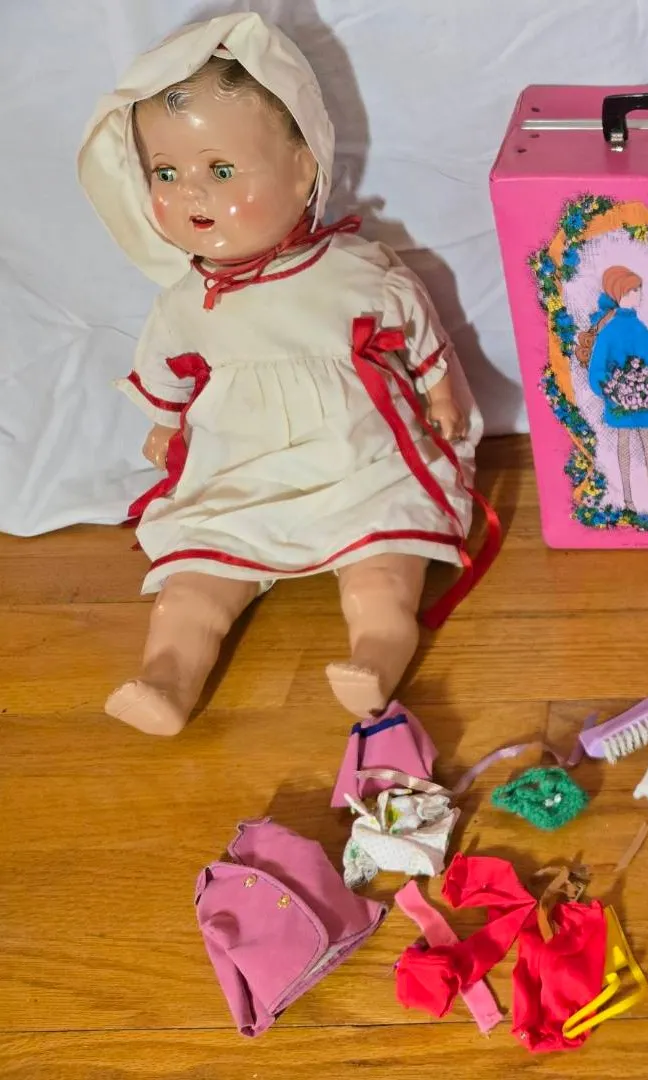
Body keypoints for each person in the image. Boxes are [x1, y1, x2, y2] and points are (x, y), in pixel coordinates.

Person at [76, 14, 492, 735]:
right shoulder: (185, 299)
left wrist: (440, 391)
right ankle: (167, 677)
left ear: (304, 170)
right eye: (166, 173)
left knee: (380, 572)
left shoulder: (352, 271)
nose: (193, 193)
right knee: (191, 588)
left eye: (221, 170)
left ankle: (375, 653)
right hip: (240, 470)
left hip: (357, 459)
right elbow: (168, 369)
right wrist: (165, 425)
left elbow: (414, 328)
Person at [574, 266, 648, 514]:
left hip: (647, 395)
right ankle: (628, 500)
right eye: (633, 290)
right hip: (620, 399)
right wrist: (614, 389)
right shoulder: (609, 330)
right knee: (625, 446)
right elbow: (598, 368)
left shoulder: (639, 327)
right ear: (620, 293)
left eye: (639, 289)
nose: (639, 295)